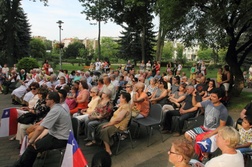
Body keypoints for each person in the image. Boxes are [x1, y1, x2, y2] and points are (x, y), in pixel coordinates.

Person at [13, 92, 72, 167]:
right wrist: (38, 138)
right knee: (34, 144)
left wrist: (31, 141)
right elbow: (47, 128)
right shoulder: (58, 108)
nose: (45, 101)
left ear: (52, 101)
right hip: (56, 135)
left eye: (47, 99)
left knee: (32, 146)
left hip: (60, 139)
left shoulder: (55, 110)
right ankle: (21, 165)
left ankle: (19, 166)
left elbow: (40, 129)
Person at [184, 88, 228, 161]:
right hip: (203, 128)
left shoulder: (223, 110)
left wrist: (209, 135)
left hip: (214, 131)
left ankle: (206, 156)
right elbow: (195, 104)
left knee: (205, 142)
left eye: (214, 97)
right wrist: (194, 96)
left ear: (220, 98)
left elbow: (221, 126)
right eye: (211, 95)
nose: (211, 98)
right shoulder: (208, 102)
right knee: (187, 135)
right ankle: (198, 150)